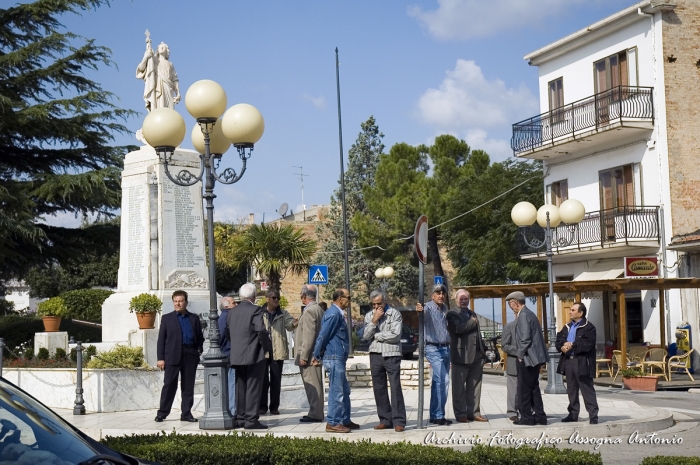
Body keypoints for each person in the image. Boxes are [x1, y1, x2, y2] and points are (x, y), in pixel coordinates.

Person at [311, 289, 359, 433]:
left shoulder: (337, 314)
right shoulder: (333, 314)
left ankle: (344, 420)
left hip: (338, 357)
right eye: (348, 297)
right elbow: (323, 335)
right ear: (339, 299)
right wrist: (316, 355)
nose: (350, 300)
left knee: (344, 390)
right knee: (336, 391)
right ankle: (332, 422)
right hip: (334, 357)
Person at [155, 290, 204, 422]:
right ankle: (162, 413)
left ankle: (186, 413)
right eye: (175, 301)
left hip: (190, 355)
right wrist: (160, 358)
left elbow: (200, 337)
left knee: (188, 386)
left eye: (180, 301)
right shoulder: (167, 318)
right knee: (169, 385)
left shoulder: (194, 318)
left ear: (186, 302)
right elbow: (161, 340)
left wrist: (198, 349)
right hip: (172, 355)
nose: (178, 304)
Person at [228, 283, 271, 430]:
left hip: (237, 355)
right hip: (254, 354)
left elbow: (228, 332)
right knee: (253, 387)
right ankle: (251, 420)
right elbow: (261, 330)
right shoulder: (256, 310)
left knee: (240, 387)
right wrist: (266, 347)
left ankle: (241, 418)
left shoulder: (232, 312)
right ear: (253, 296)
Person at [363, 289, 406, 432]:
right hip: (375, 354)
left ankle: (399, 420)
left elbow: (395, 335)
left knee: (395, 387)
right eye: (373, 304)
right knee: (378, 388)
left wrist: (377, 336)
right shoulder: (369, 316)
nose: (376, 307)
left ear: (385, 301)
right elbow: (366, 335)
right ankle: (385, 419)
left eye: (379, 304)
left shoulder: (395, 314)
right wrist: (374, 321)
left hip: (391, 354)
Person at [446, 289, 489, 423]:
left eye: (466, 299)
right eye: (461, 299)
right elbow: (459, 329)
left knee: (475, 386)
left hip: (476, 356)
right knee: (459, 388)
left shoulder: (472, 314)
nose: (464, 301)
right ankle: (461, 414)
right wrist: (472, 322)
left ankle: (474, 413)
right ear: (456, 300)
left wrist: (483, 352)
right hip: (461, 355)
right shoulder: (452, 314)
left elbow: (477, 334)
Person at [506, 291, 549, 426]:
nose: (510, 307)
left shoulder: (523, 315)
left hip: (528, 358)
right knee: (533, 387)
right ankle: (540, 416)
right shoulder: (530, 313)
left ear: (516, 303)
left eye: (510, 304)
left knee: (523, 389)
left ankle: (526, 418)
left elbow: (525, 339)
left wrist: (519, 355)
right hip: (535, 358)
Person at [555, 302, 600, 424]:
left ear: (580, 313)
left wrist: (572, 345)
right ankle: (573, 413)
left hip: (582, 362)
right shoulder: (567, 326)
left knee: (586, 388)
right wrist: (563, 345)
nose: (570, 312)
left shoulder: (589, 327)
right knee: (572, 389)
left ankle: (593, 414)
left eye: (573, 310)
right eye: (570, 309)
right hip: (568, 361)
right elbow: (559, 339)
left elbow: (587, 344)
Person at [416, 284, 452, 425]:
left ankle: (436, 415)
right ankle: (438, 414)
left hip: (445, 348)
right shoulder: (428, 307)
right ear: (432, 295)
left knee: (438, 382)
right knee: (444, 380)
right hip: (432, 348)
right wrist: (419, 310)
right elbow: (421, 312)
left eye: (443, 293)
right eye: (438, 293)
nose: (441, 295)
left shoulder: (444, 309)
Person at [260, 289, 298, 415]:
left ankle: (274, 406)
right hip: (263, 350)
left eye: (277, 298)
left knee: (276, 380)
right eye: (273, 298)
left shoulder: (282, 313)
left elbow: (289, 324)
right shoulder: (260, 313)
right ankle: (262, 406)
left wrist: (294, 323)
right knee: (263, 380)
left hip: (278, 350)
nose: (276, 300)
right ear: (267, 299)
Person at [295, 284, 325, 423]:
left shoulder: (309, 311)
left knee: (312, 384)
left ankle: (315, 413)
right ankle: (316, 411)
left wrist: (304, 356)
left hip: (310, 355)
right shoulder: (318, 309)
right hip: (316, 353)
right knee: (316, 384)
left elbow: (309, 335)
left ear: (304, 296)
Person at [136, 40, 181, 111]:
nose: (161, 48)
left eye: (164, 47)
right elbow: (141, 69)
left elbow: (175, 79)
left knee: (170, 113)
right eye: (160, 47)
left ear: (167, 51)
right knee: (159, 109)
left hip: (168, 89)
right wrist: (146, 57)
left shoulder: (170, 64)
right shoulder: (153, 61)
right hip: (158, 88)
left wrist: (178, 93)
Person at [218, 294, 239, 417]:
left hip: (227, 353)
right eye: (233, 303)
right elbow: (220, 337)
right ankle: (232, 410)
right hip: (228, 353)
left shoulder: (225, 317)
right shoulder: (226, 317)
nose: (236, 304)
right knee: (231, 383)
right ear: (227, 306)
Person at [501, 319, 519, 421]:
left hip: (528, 363)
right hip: (514, 362)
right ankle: (512, 411)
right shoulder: (509, 326)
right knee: (513, 389)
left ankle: (526, 410)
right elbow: (504, 345)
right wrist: (520, 350)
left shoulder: (531, 325)